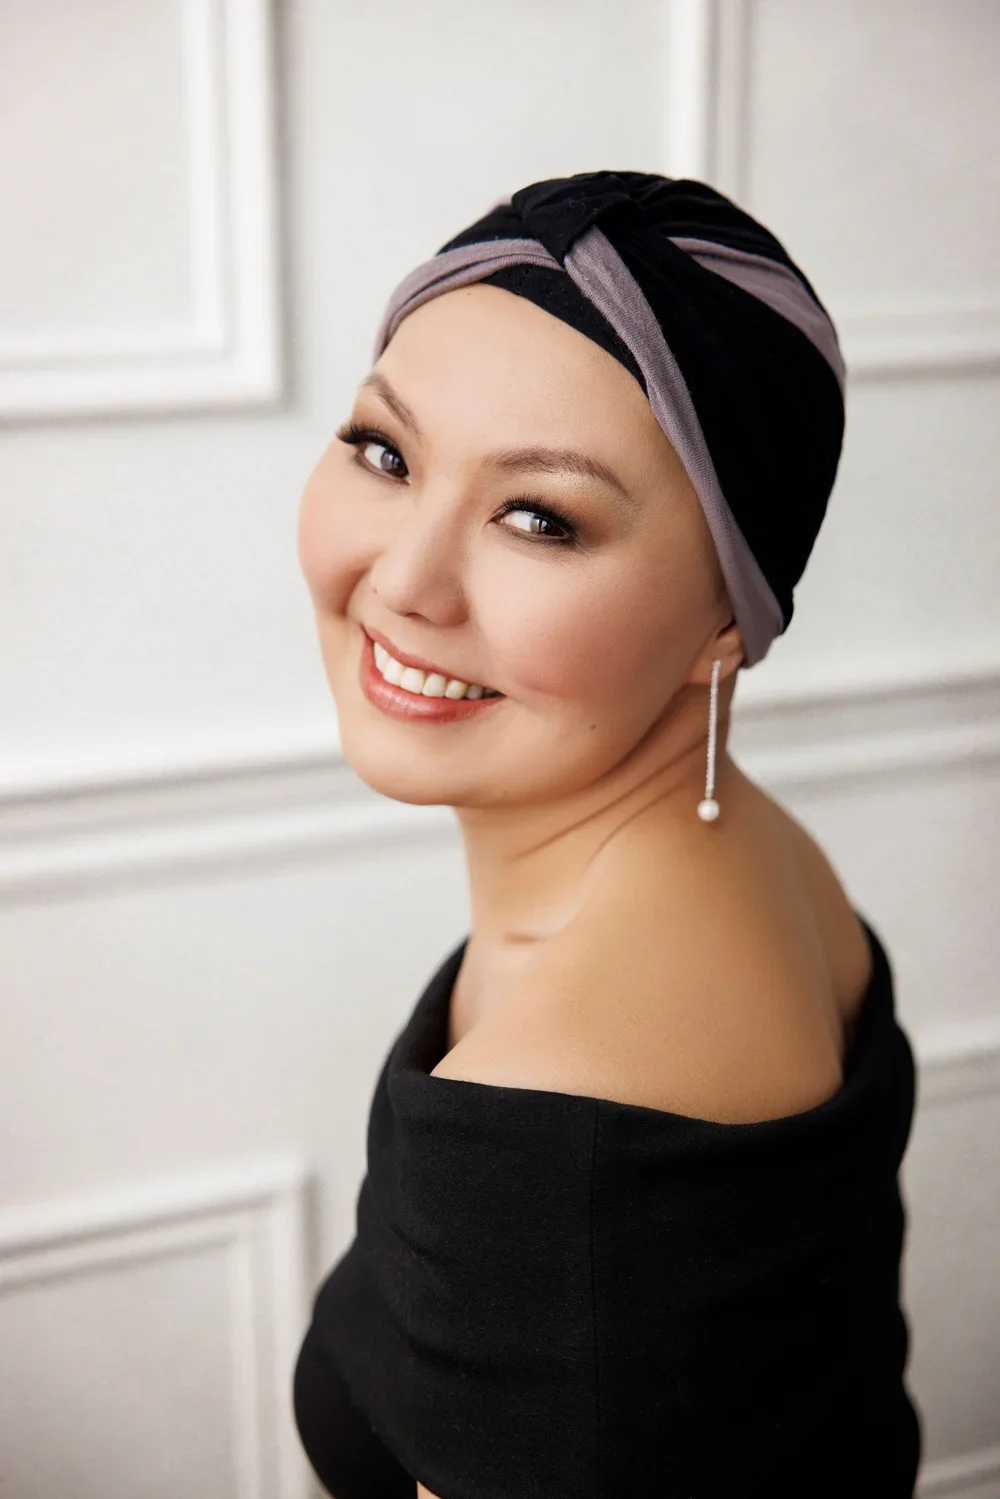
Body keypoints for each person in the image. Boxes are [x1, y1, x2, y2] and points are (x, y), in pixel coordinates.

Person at [292, 171, 923, 1498]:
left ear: (725, 622)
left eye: (541, 516)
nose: (402, 580)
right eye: (384, 451)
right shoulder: (757, 857)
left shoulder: (549, 1140)